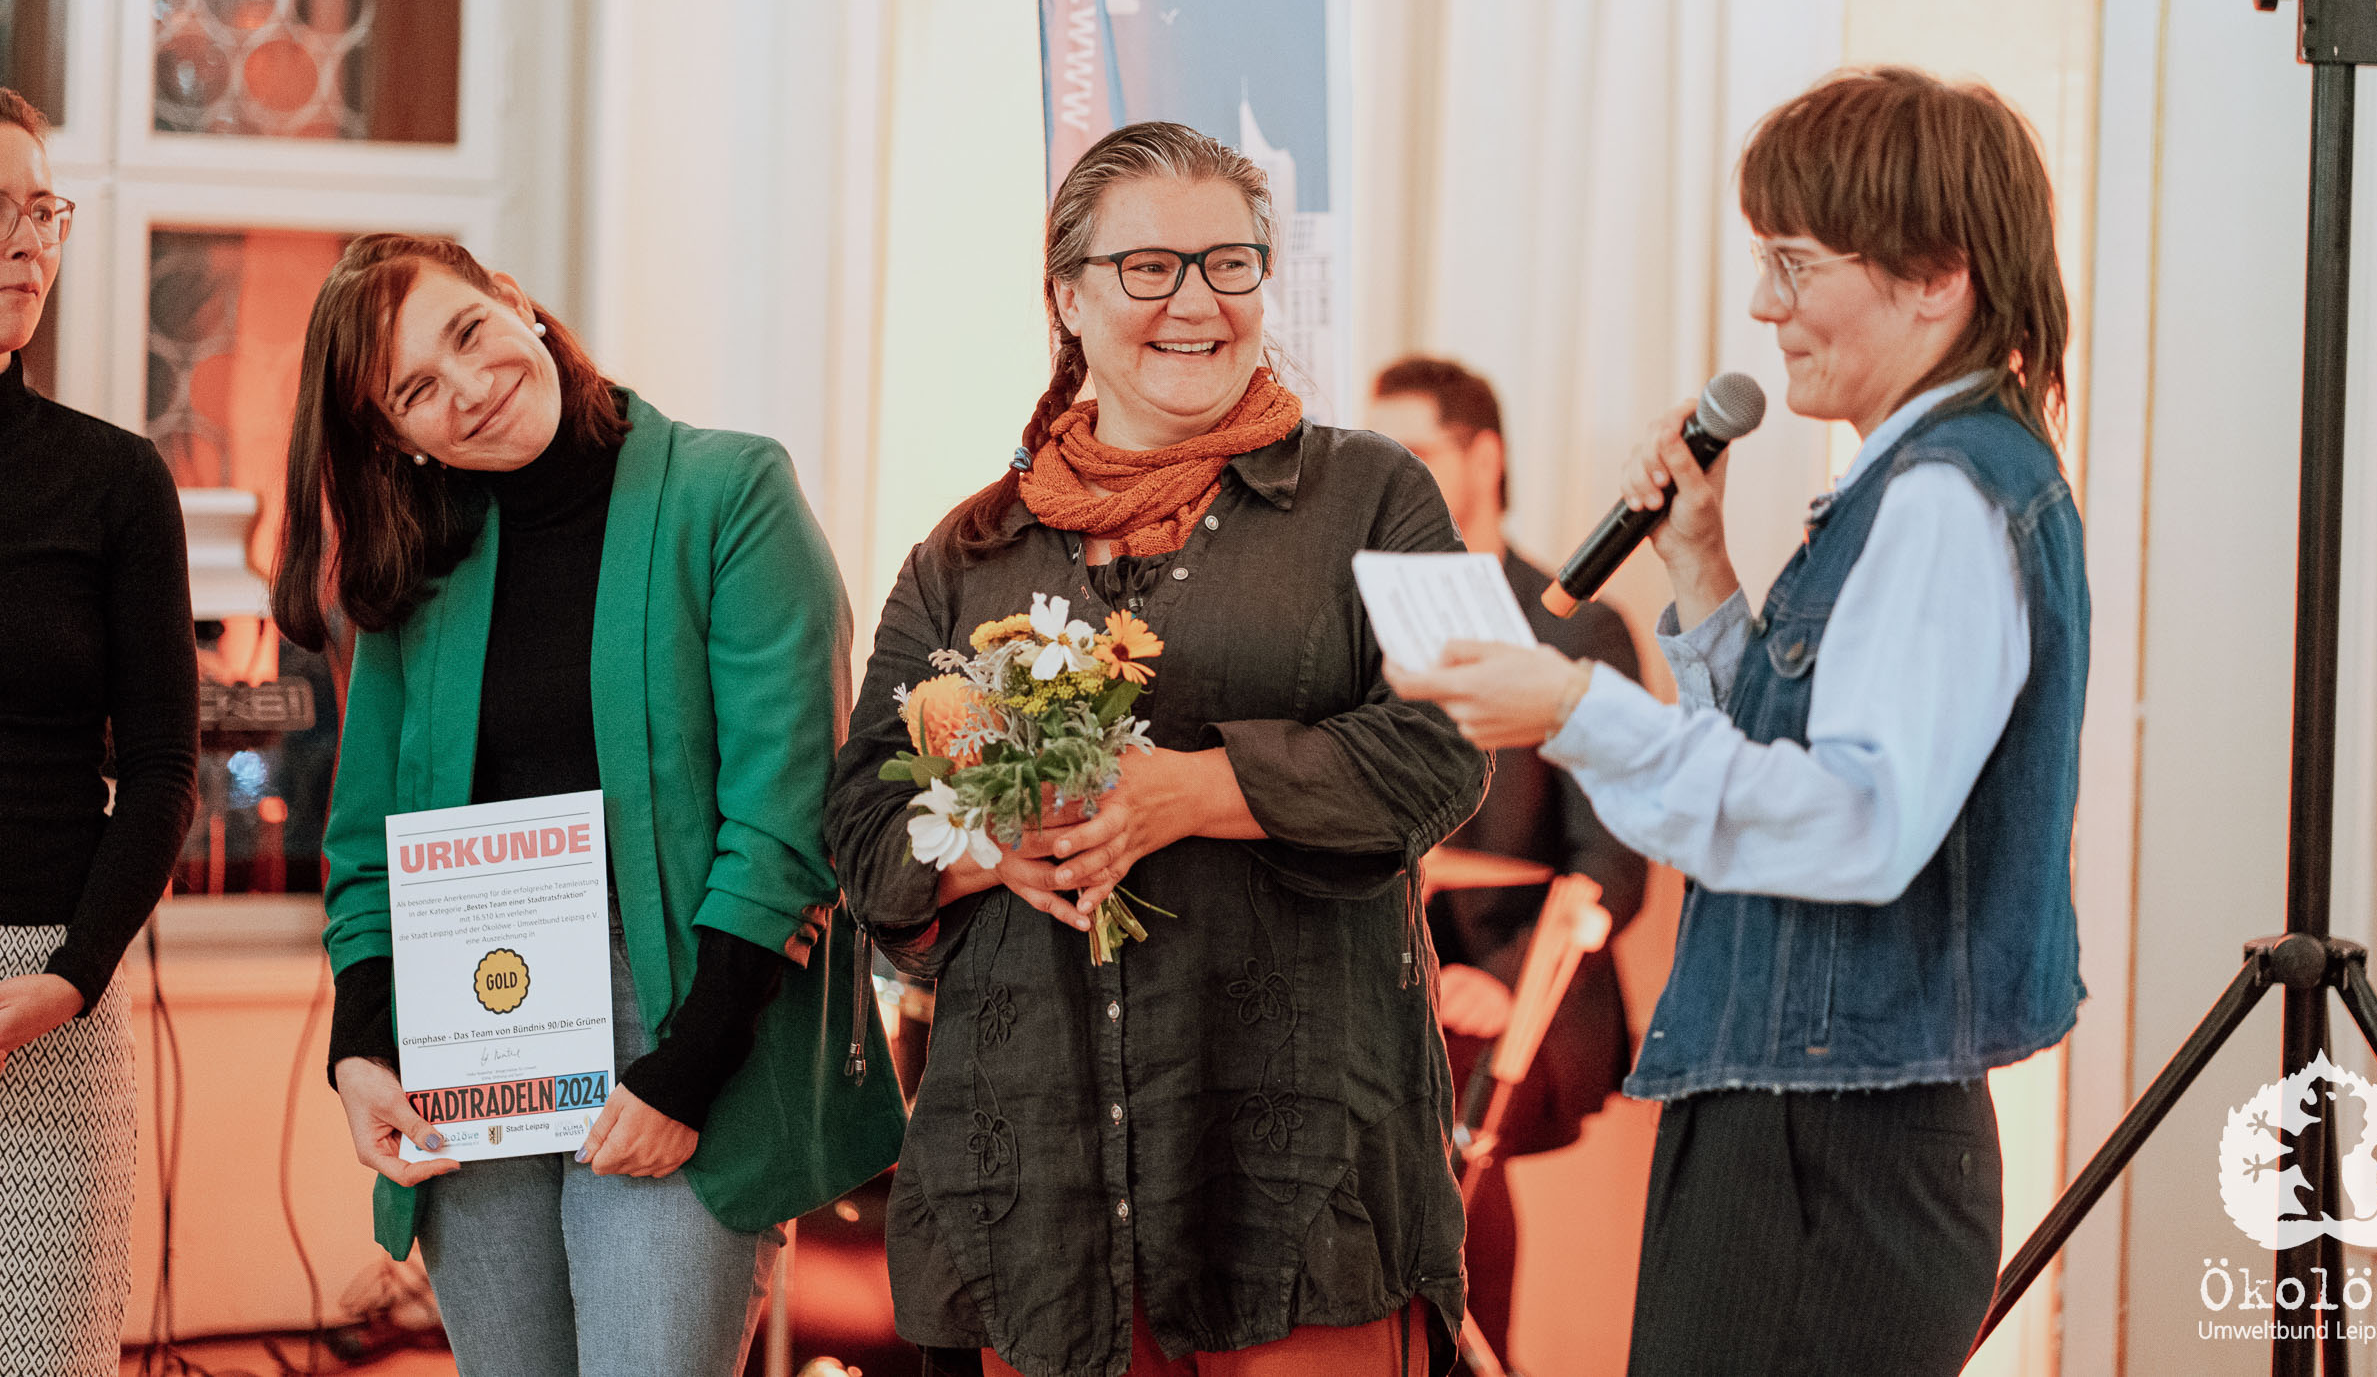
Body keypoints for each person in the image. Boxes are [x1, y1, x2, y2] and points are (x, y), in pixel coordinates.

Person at [1388, 67, 2085, 1377]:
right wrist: (1702, 572)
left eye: (1794, 263)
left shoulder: (1943, 500)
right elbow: (1782, 774)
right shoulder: (1914, 482)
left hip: (1834, 1142)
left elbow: (1855, 823)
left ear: (1937, 275)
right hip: (1802, 1117)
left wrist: (1577, 705)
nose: (1763, 304)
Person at [826, 122, 1490, 1377]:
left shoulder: (1383, 493)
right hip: (1038, 1194)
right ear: (1069, 297)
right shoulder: (961, 552)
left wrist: (1192, 789)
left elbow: (1456, 737)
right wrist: (992, 849)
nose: (1196, 301)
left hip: (1300, 1177)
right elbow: (862, 825)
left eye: (1229, 263)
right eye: (1149, 268)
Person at [274, 235, 904, 1376]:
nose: (469, 387)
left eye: (468, 331)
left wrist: (687, 1068)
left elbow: (787, 815)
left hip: (678, 1027)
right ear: (395, 437)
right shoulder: (420, 563)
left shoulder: (729, 492)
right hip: (470, 1037)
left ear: (514, 300)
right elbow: (366, 842)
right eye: (416, 390)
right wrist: (360, 1048)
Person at [1365, 355, 1648, 1364]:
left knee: (1434, 1110)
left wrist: (1507, 977)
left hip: (1534, 981)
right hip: (1390, 972)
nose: (1392, 478)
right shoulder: (1360, 622)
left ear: (1483, 456)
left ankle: (1475, 1356)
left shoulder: (1575, 626)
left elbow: (1614, 862)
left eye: (1415, 453)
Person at [0, 88, 197, 1376]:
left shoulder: (117, 479)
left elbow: (167, 768)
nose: (29, 244)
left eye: (43, 210)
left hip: (49, 997)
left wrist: (71, 975)